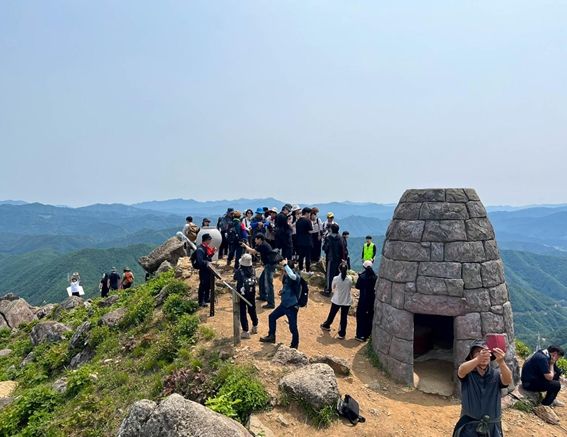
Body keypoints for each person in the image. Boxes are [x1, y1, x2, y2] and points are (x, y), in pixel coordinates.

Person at [452, 340, 512, 437]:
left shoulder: (496, 375)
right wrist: (478, 359)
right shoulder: (468, 374)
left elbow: (508, 380)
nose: (483, 355)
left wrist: (501, 362)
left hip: (492, 427)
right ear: (472, 356)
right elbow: (461, 370)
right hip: (469, 427)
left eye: (486, 352)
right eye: (478, 352)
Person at [260, 259, 301, 349]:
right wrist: (283, 291)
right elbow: (287, 286)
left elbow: (292, 276)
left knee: (293, 327)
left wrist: (285, 265)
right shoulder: (286, 276)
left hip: (291, 306)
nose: (282, 270)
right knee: (272, 317)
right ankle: (271, 336)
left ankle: (294, 345)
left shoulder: (296, 276)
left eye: (284, 269)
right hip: (284, 304)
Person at [242, 234, 277, 309]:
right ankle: (263, 296)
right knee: (261, 280)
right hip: (268, 265)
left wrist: (245, 245)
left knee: (269, 284)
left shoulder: (263, 245)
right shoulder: (262, 244)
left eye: (256, 239)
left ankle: (271, 303)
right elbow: (253, 252)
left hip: (270, 266)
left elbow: (252, 251)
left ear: (260, 239)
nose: (255, 240)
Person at [320, 263, 352, 339]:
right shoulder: (350, 279)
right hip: (346, 300)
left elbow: (333, 288)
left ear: (339, 269)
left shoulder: (336, 278)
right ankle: (342, 334)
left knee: (332, 314)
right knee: (344, 317)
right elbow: (350, 288)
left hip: (337, 299)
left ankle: (327, 325)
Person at [234, 253, 259, 339]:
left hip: (242, 294)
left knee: (243, 312)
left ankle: (245, 331)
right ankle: (255, 326)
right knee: (252, 309)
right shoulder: (253, 270)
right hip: (251, 293)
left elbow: (234, 278)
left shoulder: (239, 271)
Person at [354, 261, 377, 341]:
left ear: (364, 267)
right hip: (371, 300)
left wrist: (359, 276)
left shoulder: (362, 277)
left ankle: (360, 335)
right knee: (369, 317)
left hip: (363, 299)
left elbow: (357, 286)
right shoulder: (375, 277)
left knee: (361, 316)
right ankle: (367, 335)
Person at [322, 223, 345, 296]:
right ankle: (337, 290)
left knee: (329, 275)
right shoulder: (340, 238)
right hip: (339, 259)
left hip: (330, 259)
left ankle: (328, 290)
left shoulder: (328, 238)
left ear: (331, 230)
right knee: (337, 275)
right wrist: (343, 259)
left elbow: (325, 248)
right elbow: (343, 249)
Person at [195, 233, 215, 307]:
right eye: (209, 239)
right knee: (203, 285)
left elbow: (207, 257)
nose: (210, 241)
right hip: (203, 270)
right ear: (206, 240)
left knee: (208, 284)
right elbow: (200, 261)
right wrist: (207, 262)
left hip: (207, 269)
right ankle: (201, 301)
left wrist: (212, 253)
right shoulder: (200, 249)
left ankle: (206, 298)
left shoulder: (205, 247)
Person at [295, 207, 313, 272]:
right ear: (306, 213)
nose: (310, 215)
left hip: (299, 241)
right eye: (309, 213)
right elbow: (310, 231)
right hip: (307, 241)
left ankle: (300, 269)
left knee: (301, 256)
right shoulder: (308, 221)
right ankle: (308, 270)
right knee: (308, 256)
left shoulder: (298, 221)